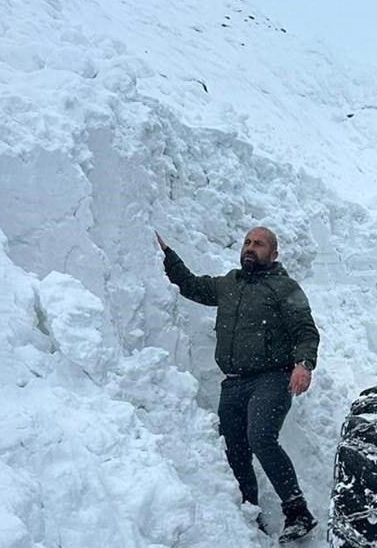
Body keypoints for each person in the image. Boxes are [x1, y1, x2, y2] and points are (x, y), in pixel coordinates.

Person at [157, 226, 320, 543]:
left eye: (258, 244)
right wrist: (167, 256)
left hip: (272, 378)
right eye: (247, 242)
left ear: (273, 255)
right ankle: (249, 516)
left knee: (260, 437)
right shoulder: (228, 284)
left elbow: (306, 331)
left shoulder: (285, 288)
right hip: (232, 384)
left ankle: (297, 510)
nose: (250, 247)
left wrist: (304, 364)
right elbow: (191, 285)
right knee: (235, 451)